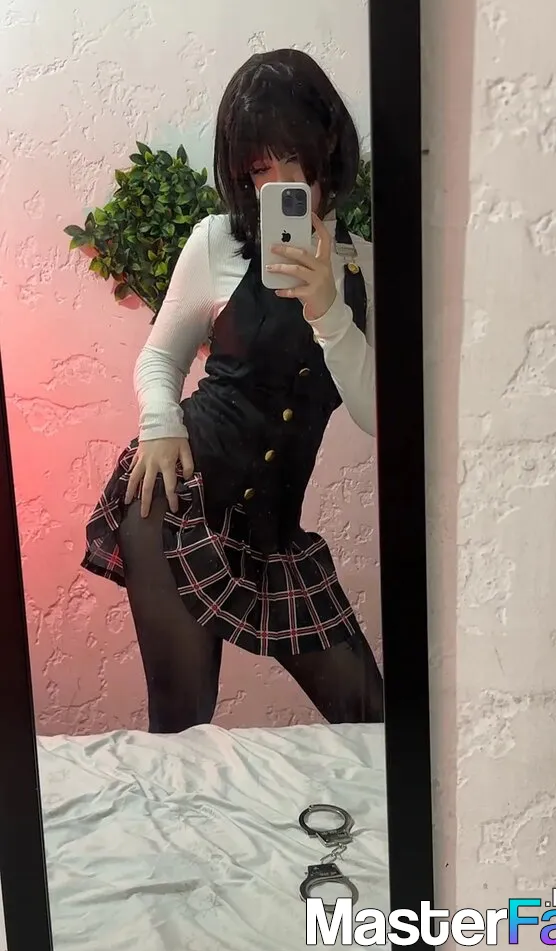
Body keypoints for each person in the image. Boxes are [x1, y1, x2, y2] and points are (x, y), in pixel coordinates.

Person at [82, 48, 384, 733]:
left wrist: (329, 311)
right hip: (176, 502)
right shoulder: (217, 242)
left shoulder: (363, 266)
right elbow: (161, 357)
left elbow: (376, 417)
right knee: (183, 725)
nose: (277, 181)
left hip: (273, 536)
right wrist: (160, 425)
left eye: (290, 157)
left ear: (328, 143)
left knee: (370, 717)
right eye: (257, 169)